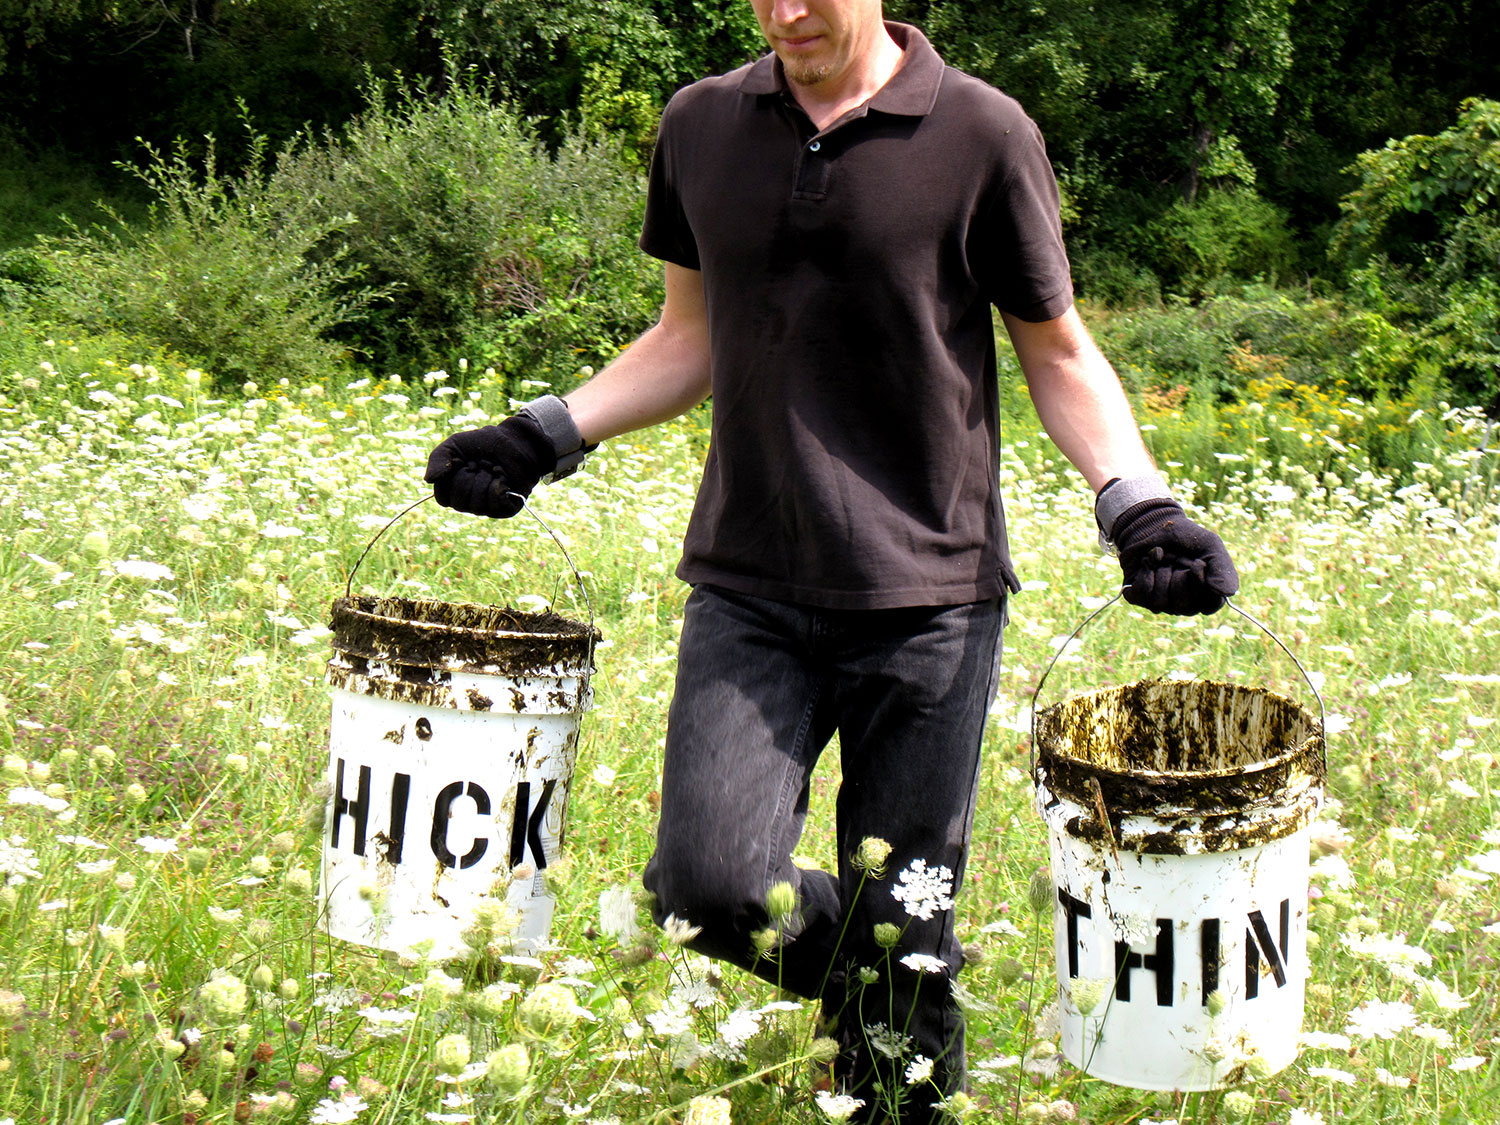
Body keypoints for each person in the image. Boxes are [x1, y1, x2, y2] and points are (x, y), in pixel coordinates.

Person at [425, 1, 1239, 1119]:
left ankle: (901, 1035)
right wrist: (546, 432)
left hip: (933, 599)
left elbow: (1056, 350)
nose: (787, 12)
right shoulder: (702, 123)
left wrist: (1137, 505)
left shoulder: (983, 133)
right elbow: (686, 337)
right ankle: (906, 987)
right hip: (750, 584)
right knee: (705, 887)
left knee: (904, 911)